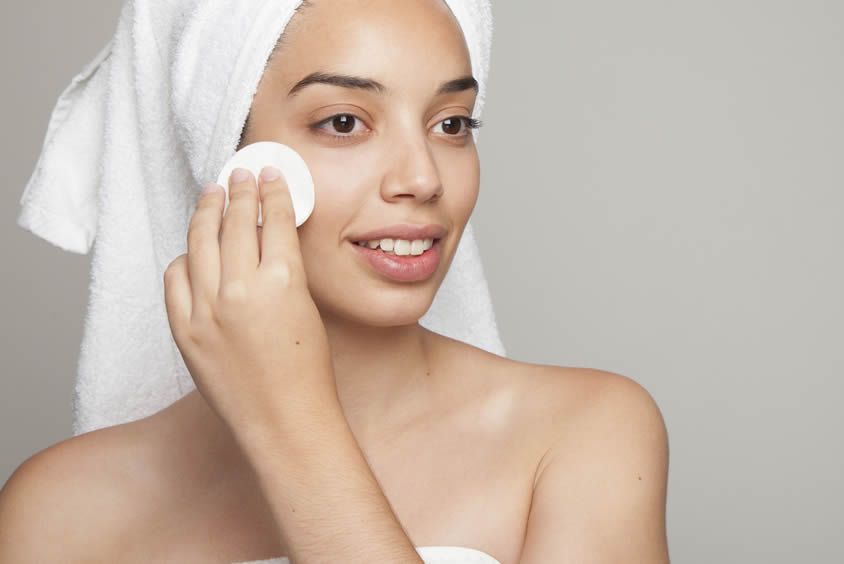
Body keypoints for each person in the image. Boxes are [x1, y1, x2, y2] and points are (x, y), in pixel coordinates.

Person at [0, 1, 670, 562]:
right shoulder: (61, 510)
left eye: (451, 124)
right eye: (344, 122)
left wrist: (292, 425)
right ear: (226, 153)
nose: (422, 178)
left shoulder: (583, 436)